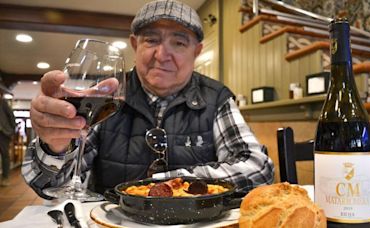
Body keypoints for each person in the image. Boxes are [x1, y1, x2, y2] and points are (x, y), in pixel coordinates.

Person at [22, 0, 274, 199]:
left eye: (178, 43)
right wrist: (53, 146)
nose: (162, 55)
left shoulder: (216, 97)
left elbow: (258, 169)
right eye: (152, 40)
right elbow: (48, 184)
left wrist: (169, 184)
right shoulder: (109, 96)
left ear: (196, 52)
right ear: (134, 44)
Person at [0, 90, 16, 187]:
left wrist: (10, 131)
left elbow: (11, 117)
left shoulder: (3, 103)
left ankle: (5, 178)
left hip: (3, 133)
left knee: (5, 155)